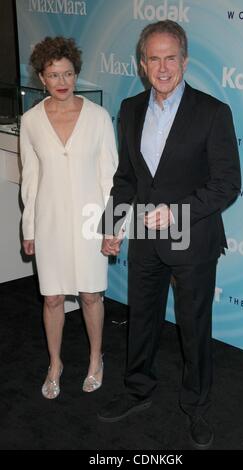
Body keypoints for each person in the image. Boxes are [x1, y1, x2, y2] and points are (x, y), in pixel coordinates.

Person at [98, 20, 241, 449]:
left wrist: (176, 212)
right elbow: (126, 178)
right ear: (143, 64)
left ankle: (196, 406)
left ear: (185, 60)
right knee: (141, 318)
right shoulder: (131, 109)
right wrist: (111, 226)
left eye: (171, 58)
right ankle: (138, 389)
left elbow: (227, 183)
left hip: (192, 234)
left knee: (193, 326)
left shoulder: (213, 111)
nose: (163, 67)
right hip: (145, 236)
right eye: (154, 58)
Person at [20, 36, 117, 399]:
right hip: (49, 223)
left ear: (76, 74)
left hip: (91, 223)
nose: (62, 82)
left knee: (92, 295)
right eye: (53, 75)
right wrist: (28, 228)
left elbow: (112, 177)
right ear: (41, 78)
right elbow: (30, 181)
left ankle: (96, 358)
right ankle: (55, 363)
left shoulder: (98, 117)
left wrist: (113, 227)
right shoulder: (30, 121)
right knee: (52, 299)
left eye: (68, 74)